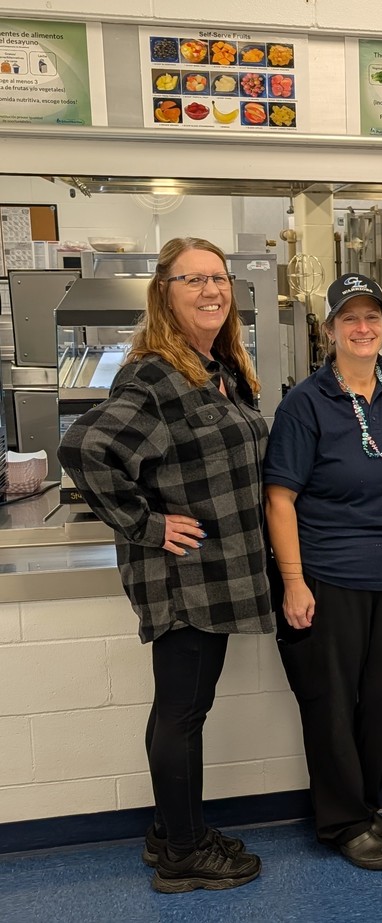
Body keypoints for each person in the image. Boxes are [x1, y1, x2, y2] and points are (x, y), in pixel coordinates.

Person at [58, 237, 270, 893]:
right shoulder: (155, 377)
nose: (211, 290)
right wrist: (146, 524)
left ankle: (170, 828)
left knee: (183, 705)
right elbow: (84, 446)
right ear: (163, 294)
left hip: (219, 571)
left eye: (218, 278)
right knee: (183, 711)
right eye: (192, 280)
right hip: (183, 578)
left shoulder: (214, 368)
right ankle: (183, 852)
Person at [264, 273, 382, 871]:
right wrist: (293, 581)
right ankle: (341, 821)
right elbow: (280, 499)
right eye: (349, 319)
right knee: (332, 701)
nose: (362, 329)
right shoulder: (306, 404)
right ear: (330, 330)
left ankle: (363, 805)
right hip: (330, 574)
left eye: (371, 318)